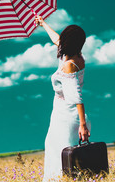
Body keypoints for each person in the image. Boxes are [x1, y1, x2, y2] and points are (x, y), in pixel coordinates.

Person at [35, 15, 91, 181]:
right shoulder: (77, 57)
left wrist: (83, 125)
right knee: (66, 155)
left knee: (60, 154)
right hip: (66, 114)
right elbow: (57, 40)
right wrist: (43, 23)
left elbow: (76, 97)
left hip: (67, 116)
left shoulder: (68, 65)